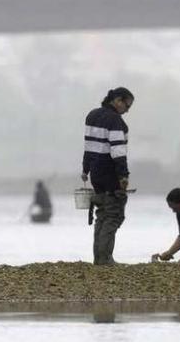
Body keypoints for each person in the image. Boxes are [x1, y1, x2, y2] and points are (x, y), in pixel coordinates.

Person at [81, 87, 134, 265]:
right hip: (110, 173)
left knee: (102, 214)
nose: (127, 110)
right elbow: (118, 151)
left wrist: (85, 169)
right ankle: (106, 259)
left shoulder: (92, 115)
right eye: (127, 105)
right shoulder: (115, 121)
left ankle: (99, 258)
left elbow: (88, 145)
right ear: (117, 101)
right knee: (113, 215)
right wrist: (123, 176)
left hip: (95, 172)